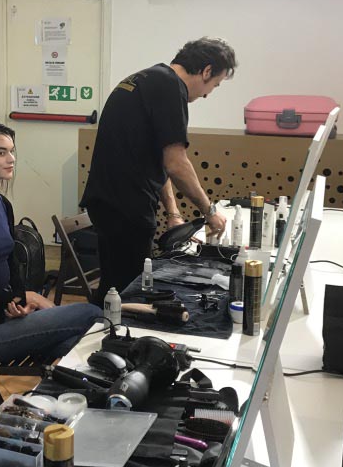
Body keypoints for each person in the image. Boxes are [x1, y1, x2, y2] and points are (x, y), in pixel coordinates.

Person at [81, 37, 237, 304]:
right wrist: (209, 212)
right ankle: (105, 328)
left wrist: (173, 213)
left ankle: (103, 322)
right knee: (127, 293)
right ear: (207, 71)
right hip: (125, 205)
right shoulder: (170, 88)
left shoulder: (151, 78)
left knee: (115, 286)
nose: (207, 94)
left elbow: (160, 158)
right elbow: (177, 163)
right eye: (214, 85)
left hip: (111, 202)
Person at [0, 120, 101, 363]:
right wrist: (25, 297)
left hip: (6, 317)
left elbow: (11, 263)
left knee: (76, 342)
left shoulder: (2, 204)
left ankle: (58, 379)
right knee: (92, 313)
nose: (11, 159)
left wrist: (20, 301)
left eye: (11, 151)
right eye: (1, 152)